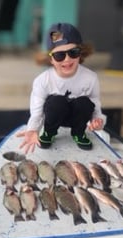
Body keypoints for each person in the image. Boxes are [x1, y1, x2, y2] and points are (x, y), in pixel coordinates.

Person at [17, 22, 106, 153]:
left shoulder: (90, 77)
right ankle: (49, 132)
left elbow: (95, 101)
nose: (67, 59)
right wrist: (33, 129)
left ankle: (78, 133)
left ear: (81, 53)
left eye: (73, 52)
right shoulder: (42, 80)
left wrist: (97, 119)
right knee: (56, 102)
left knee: (85, 103)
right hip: (54, 116)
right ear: (51, 59)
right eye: (59, 55)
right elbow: (37, 111)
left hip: (78, 117)